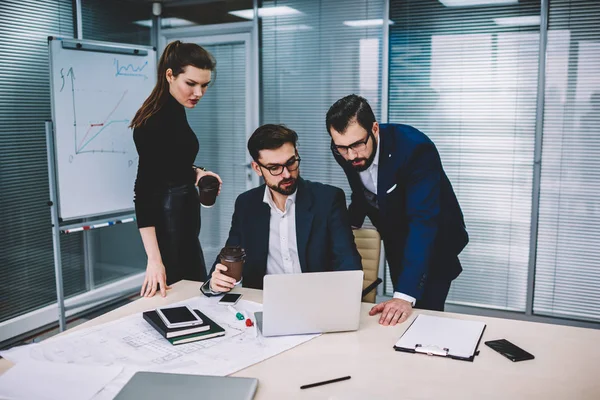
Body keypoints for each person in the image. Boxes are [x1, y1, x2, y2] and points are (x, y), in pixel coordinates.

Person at [326, 94, 468, 326]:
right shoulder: (342, 148)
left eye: (357, 145)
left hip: (433, 238)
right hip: (396, 235)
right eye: (342, 148)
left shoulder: (415, 149)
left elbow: (423, 221)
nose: (351, 155)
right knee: (401, 318)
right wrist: (350, 222)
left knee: (425, 316)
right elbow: (360, 188)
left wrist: (403, 296)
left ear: (374, 129)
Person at [201, 124, 362, 294]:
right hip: (264, 305)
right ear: (257, 168)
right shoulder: (247, 205)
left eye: (291, 163)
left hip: (316, 303)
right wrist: (216, 283)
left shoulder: (328, 200)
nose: (286, 174)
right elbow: (229, 259)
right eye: (274, 168)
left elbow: (348, 265)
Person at [130, 40, 222, 298]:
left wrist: (197, 173)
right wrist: (154, 260)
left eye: (204, 85)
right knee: (180, 299)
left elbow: (170, 163)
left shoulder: (174, 110)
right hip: (169, 227)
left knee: (194, 295)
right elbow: (144, 192)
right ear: (169, 75)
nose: (199, 92)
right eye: (191, 84)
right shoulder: (153, 123)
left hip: (184, 224)